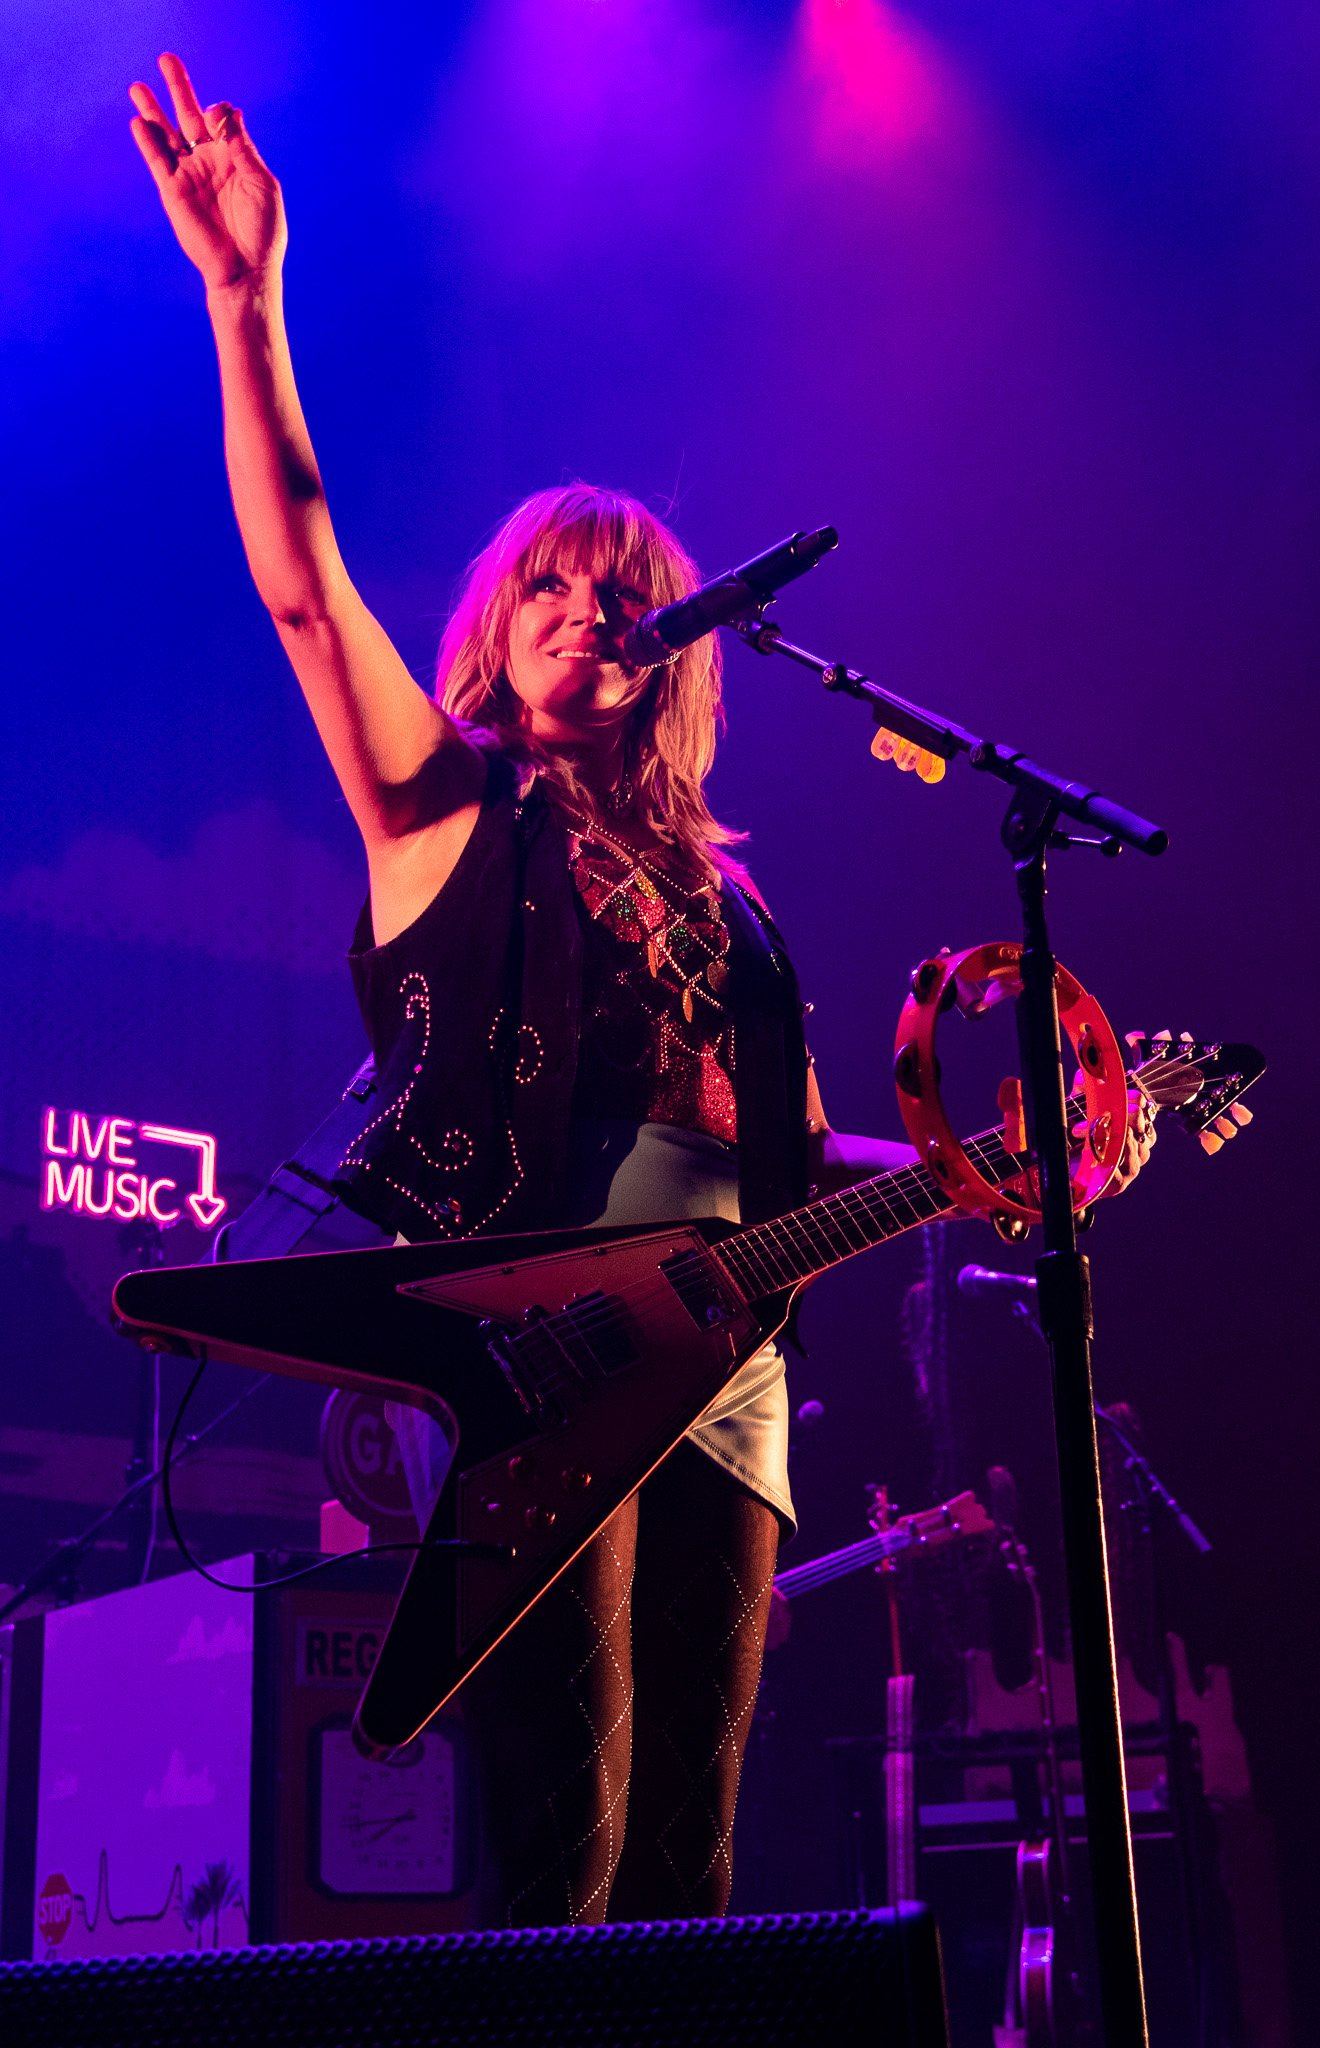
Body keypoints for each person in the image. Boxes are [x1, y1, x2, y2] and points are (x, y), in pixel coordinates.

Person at [128, 54, 1154, 1930]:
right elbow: (296, 579)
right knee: (568, 1830)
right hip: (554, 1338)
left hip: (736, 1353)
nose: (594, 618)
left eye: (625, 597)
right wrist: (243, 295)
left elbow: (774, 1150)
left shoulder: (734, 904)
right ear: (498, 633)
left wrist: (1009, 1152)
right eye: (555, 594)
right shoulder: (451, 807)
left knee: (700, 1841)